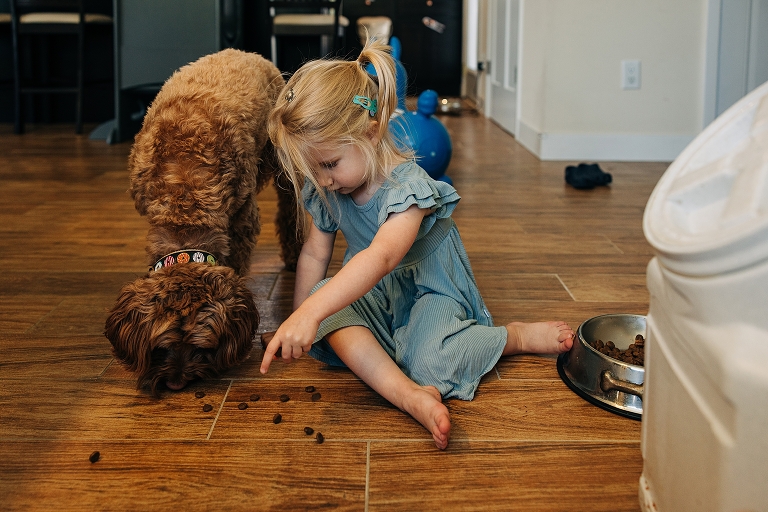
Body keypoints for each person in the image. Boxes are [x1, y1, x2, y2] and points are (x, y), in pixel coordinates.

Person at [261, 39, 575, 450]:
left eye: (329, 164)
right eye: (312, 168)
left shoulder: (407, 187)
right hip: (377, 292)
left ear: (371, 134)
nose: (322, 180)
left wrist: (312, 313)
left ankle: (511, 337)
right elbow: (316, 253)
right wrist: (302, 319)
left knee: (430, 362)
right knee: (323, 309)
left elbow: (382, 256)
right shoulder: (329, 188)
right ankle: (406, 394)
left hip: (431, 288)